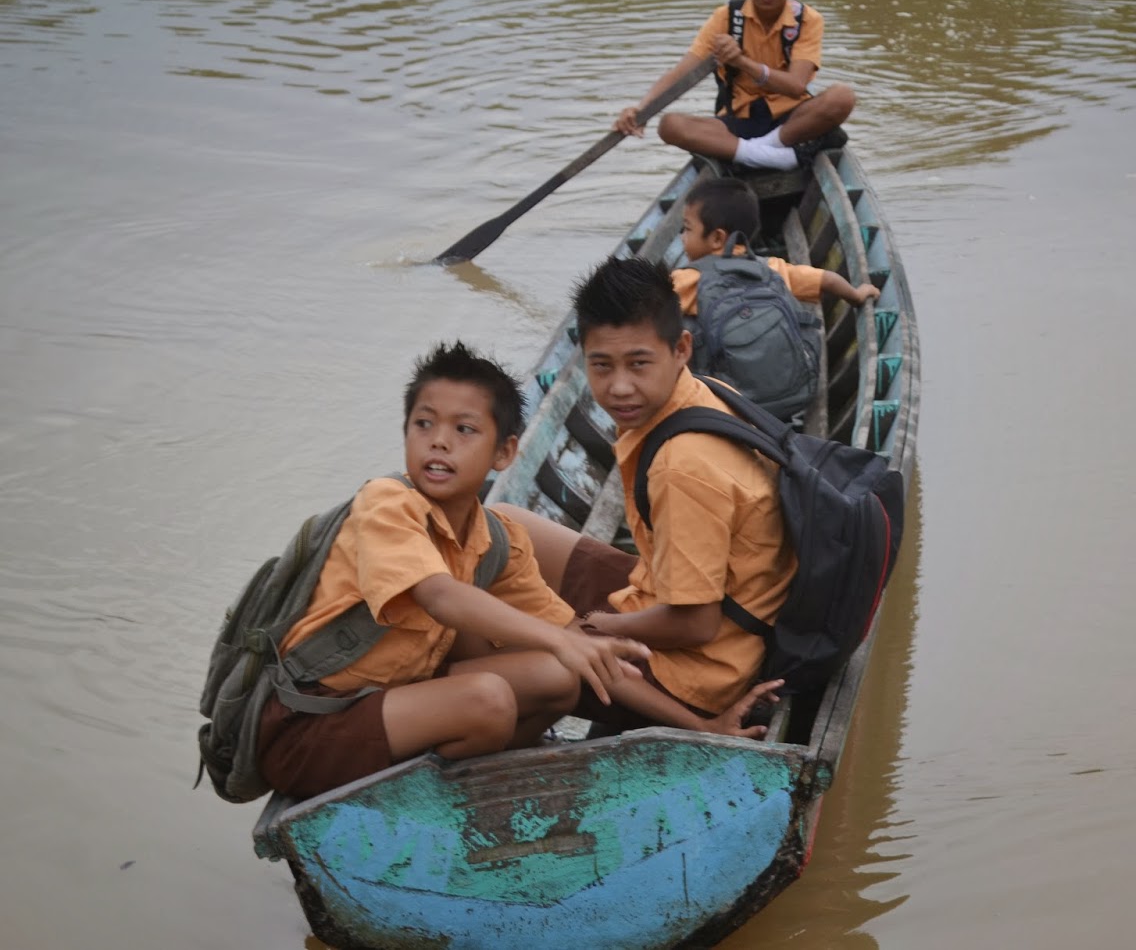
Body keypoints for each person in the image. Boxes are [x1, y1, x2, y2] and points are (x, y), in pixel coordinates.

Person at [254, 342, 650, 800]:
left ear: (504, 453)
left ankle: (466, 780)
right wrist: (560, 640)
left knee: (560, 676)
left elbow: (582, 646)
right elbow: (439, 594)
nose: (439, 440)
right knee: (490, 700)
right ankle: (439, 800)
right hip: (311, 729)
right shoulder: (387, 503)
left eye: (464, 429)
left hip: (403, 703)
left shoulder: (494, 539)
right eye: (424, 424)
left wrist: (700, 724)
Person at [501, 257, 794, 736]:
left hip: (698, 671)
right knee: (503, 525)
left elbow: (695, 625)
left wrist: (595, 627)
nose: (619, 387)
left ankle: (513, 731)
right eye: (601, 366)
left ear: (680, 348)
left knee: (492, 646)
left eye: (638, 364)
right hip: (708, 610)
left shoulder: (684, 466)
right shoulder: (703, 390)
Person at [613, 0, 854, 172]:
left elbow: (796, 86)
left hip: (791, 121)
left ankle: (760, 149)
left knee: (841, 97)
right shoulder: (726, 17)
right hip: (738, 120)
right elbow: (681, 72)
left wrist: (742, 62)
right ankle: (770, 156)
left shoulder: (808, 19)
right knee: (670, 125)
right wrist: (641, 110)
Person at [672, 176, 879, 312]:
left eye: (688, 229)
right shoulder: (773, 268)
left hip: (714, 378)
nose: (683, 236)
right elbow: (828, 280)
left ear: (717, 238)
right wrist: (856, 296)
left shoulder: (686, 281)